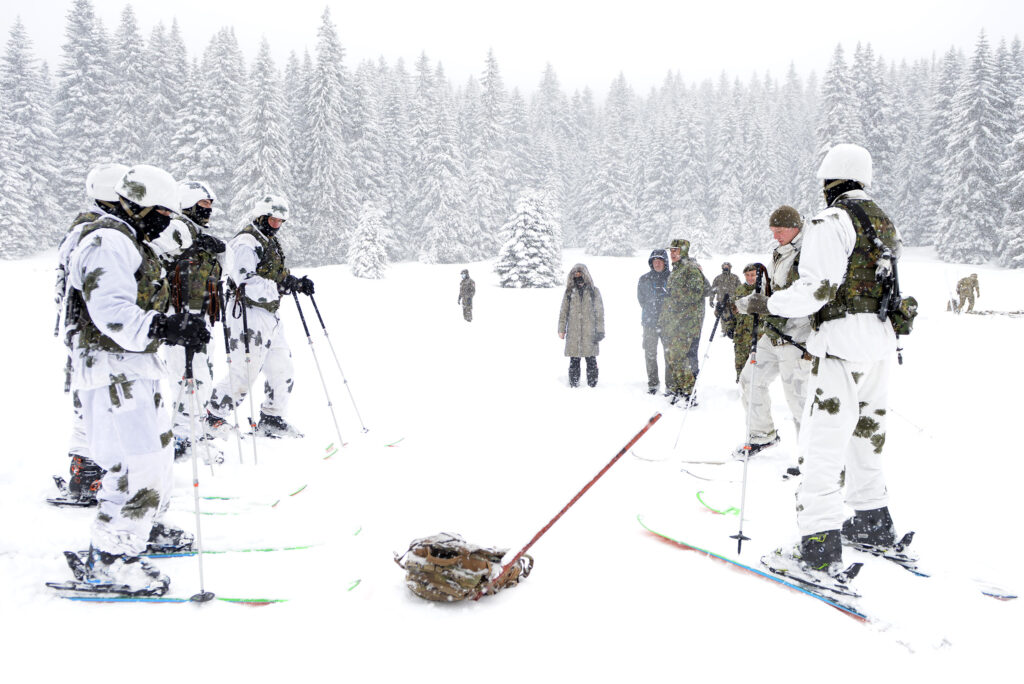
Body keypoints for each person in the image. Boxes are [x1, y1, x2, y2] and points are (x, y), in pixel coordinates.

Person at [747, 144, 906, 579]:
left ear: (832, 180)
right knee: (867, 434)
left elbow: (816, 290)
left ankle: (818, 547)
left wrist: (770, 303)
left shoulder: (830, 221)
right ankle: (872, 521)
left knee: (822, 443)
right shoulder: (882, 219)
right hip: (878, 342)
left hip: (839, 342)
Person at [65, 164, 210, 593]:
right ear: (136, 205)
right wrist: (165, 327)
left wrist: (173, 323)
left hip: (135, 366)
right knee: (133, 466)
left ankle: (140, 530)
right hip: (112, 369)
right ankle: (110, 558)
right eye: (160, 214)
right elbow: (110, 312)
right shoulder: (107, 241)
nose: (165, 222)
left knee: (158, 459)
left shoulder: (131, 242)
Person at [52, 163, 128, 504]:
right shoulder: (94, 232)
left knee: (94, 402)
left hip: (90, 333)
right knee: (96, 403)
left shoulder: (92, 229)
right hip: (94, 334)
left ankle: (90, 471)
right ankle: (88, 474)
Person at [206, 195, 311, 439]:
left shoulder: (268, 241)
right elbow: (245, 281)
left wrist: (293, 282)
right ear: (261, 216)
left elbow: (275, 272)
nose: (276, 225)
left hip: (269, 313)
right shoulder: (246, 242)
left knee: (282, 368)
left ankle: (272, 418)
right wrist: (281, 286)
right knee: (245, 370)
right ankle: (213, 416)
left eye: (280, 221)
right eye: (273, 219)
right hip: (246, 313)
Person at [734, 206, 813, 458]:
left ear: (794, 228)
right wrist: (750, 301)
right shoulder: (780, 253)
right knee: (749, 379)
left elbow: (805, 296)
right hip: (774, 333)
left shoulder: (809, 253)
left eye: (779, 231)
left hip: (797, 338)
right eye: (772, 231)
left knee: (799, 402)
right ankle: (762, 434)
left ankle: (812, 459)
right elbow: (771, 290)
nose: (775, 236)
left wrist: (765, 304)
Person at [163, 180, 226, 460]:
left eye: (210, 204)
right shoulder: (174, 228)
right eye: (203, 204)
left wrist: (219, 249)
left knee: (202, 376)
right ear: (188, 203)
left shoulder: (199, 233)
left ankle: (192, 432)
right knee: (188, 377)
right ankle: (182, 439)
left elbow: (223, 270)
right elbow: (163, 250)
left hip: (203, 316)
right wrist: (193, 243)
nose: (208, 209)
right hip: (179, 316)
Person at [658, 238, 709, 405]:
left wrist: (673, 294)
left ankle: (689, 393)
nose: (672, 253)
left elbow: (696, 293)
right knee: (672, 356)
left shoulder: (690, 269)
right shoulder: (677, 269)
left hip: (687, 323)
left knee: (679, 356)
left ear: (684, 251)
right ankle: (680, 390)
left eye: (676, 250)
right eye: (671, 250)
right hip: (675, 322)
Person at [558, 263, 605, 388]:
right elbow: (563, 312)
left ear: (585, 275)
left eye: (580, 274)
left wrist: (600, 330)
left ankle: (592, 385)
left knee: (591, 359)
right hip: (573, 332)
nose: (577, 276)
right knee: (574, 360)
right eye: (575, 274)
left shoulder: (594, 292)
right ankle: (573, 385)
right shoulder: (569, 292)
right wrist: (561, 329)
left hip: (590, 333)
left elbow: (599, 313)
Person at [637, 249, 670, 394]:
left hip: (668, 323)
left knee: (669, 355)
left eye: (660, 260)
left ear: (665, 262)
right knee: (650, 354)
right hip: (649, 323)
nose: (657, 263)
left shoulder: (672, 278)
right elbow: (641, 299)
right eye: (654, 261)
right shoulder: (644, 279)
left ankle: (670, 385)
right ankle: (653, 384)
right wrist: (650, 311)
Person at [731, 264, 764, 383]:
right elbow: (733, 310)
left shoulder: (762, 289)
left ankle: (755, 386)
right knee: (740, 362)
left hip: (758, 334)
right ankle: (741, 384)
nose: (750, 278)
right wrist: (730, 327)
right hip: (741, 334)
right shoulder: (739, 290)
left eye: (753, 275)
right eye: (747, 275)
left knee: (757, 363)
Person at [709, 262, 741, 338]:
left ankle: (734, 331)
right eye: (724, 266)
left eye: (727, 266)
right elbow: (713, 290)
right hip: (721, 302)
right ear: (722, 267)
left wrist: (740, 299)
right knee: (723, 317)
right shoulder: (718, 278)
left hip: (732, 302)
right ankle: (724, 332)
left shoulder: (735, 277)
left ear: (730, 267)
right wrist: (711, 300)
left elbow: (740, 289)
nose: (726, 268)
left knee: (734, 318)